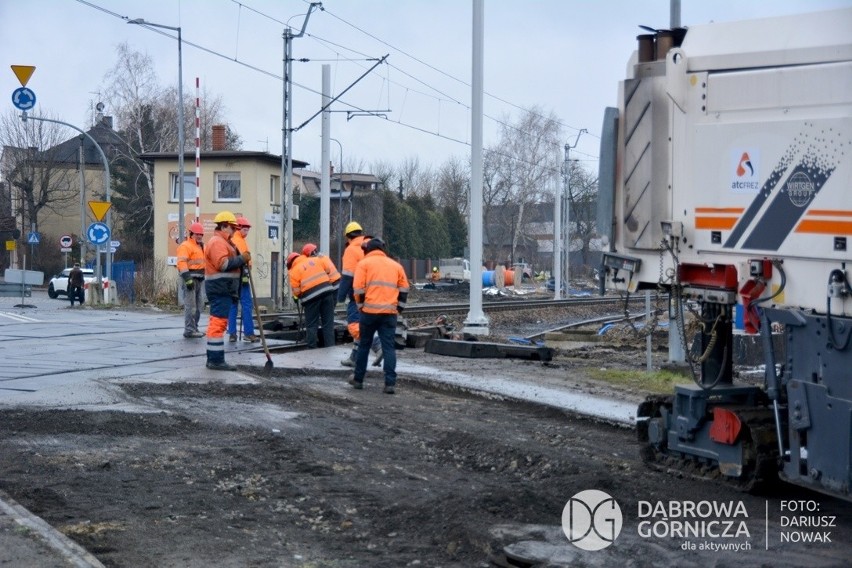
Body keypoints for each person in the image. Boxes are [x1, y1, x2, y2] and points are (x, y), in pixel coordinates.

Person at [349, 238, 409, 394]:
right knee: (389, 347)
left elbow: (358, 288)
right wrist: (399, 309)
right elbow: (404, 289)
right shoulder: (396, 266)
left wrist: (361, 307)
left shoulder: (363, 264)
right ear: (382, 250)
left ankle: (358, 379)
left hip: (368, 313)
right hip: (389, 314)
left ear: (368, 250)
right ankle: (390, 383)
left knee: (364, 345)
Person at [204, 211, 251, 371]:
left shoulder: (226, 242)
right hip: (220, 288)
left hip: (224, 288)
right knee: (218, 323)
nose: (234, 231)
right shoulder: (217, 242)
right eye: (232, 227)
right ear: (224, 226)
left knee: (218, 322)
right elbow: (222, 264)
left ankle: (214, 358)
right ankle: (215, 360)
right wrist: (241, 259)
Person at [292, 243, 340, 348]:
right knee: (328, 323)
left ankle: (312, 348)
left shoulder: (293, 270)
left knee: (311, 324)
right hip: (328, 291)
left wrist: (299, 296)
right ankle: (330, 346)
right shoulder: (317, 259)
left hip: (311, 298)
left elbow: (296, 292)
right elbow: (327, 271)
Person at [337, 221, 368, 366]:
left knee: (355, 324)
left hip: (358, 294)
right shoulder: (371, 246)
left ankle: (377, 345)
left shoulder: (351, 249)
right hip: (376, 293)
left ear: (348, 237)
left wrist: (341, 296)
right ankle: (355, 357)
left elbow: (347, 275)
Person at [227, 216, 260, 343]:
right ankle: (249, 333)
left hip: (233, 278)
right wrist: (245, 274)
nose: (246, 233)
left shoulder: (231, 240)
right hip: (242, 276)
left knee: (233, 304)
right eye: (245, 230)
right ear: (238, 228)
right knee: (246, 304)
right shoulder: (239, 241)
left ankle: (232, 333)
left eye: (248, 230)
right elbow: (243, 260)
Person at [176, 222, 206, 338]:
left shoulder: (201, 247)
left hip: (199, 279)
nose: (199, 236)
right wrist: (187, 278)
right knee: (191, 306)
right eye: (197, 234)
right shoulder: (185, 246)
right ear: (191, 234)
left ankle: (194, 327)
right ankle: (189, 329)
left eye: (201, 234)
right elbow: (181, 262)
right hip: (190, 279)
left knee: (199, 306)